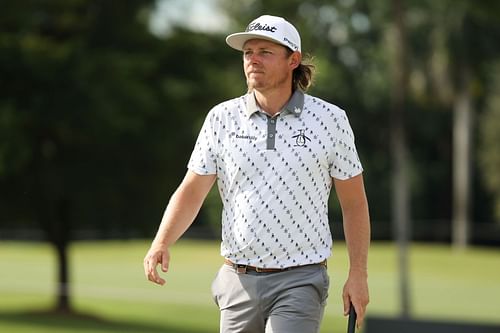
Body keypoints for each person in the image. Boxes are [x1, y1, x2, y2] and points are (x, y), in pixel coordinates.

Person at [144, 14, 370, 333]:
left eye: (265, 52)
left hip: (300, 279)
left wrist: (358, 274)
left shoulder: (330, 121)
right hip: (237, 280)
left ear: (293, 60)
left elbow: (354, 204)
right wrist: (161, 241)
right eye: (248, 52)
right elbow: (192, 190)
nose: (253, 60)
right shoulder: (221, 119)